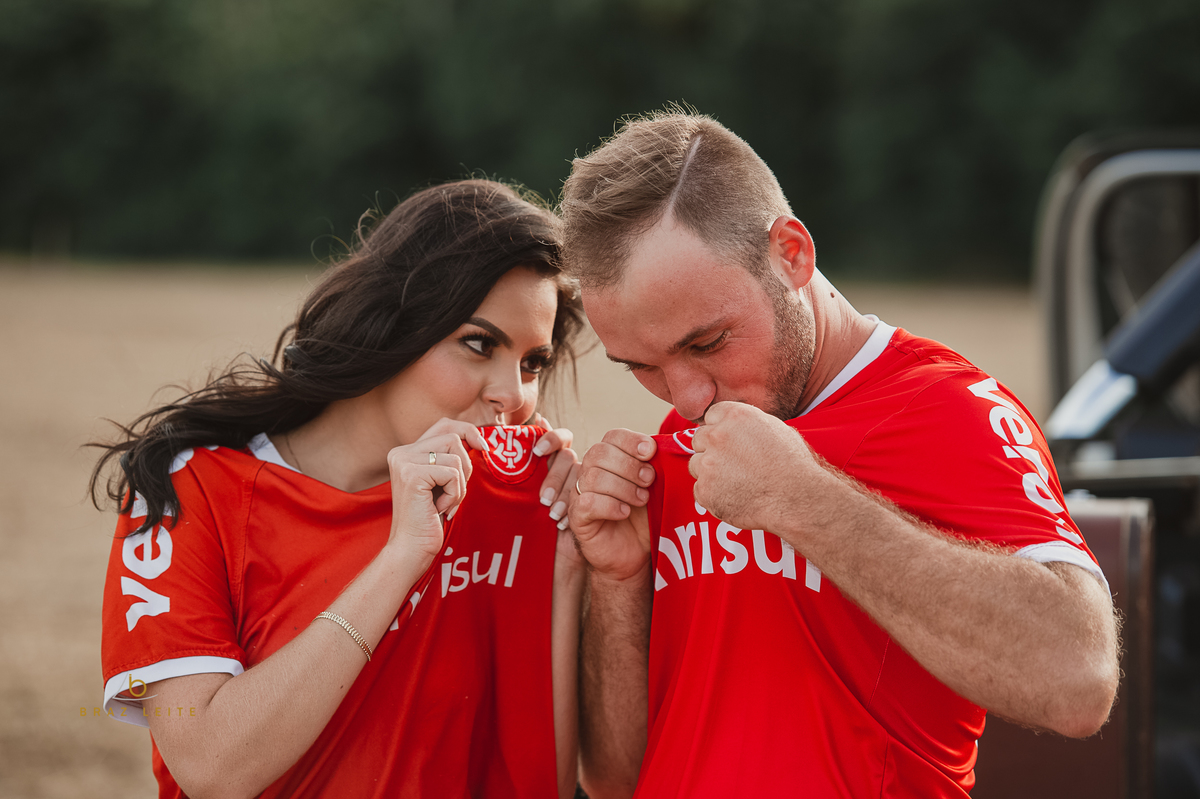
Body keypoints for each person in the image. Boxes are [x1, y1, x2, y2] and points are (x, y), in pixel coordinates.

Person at [560, 111, 1120, 798]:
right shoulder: (685, 443)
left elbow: (1078, 680)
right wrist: (618, 581)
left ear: (792, 253)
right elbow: (616, 777)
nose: (686, 398)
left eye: (706, 343)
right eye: (640, 366)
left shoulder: (949, 408)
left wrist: (802, 497)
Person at [90, 179, 587, 799]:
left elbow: (543, 776)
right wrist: (402, 556)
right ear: (394, 324)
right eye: (478, 343)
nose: (512, 395)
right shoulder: (191, 488)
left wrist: (569, 565)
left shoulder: (508, 497)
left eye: (532, 363)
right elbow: (211, 765)